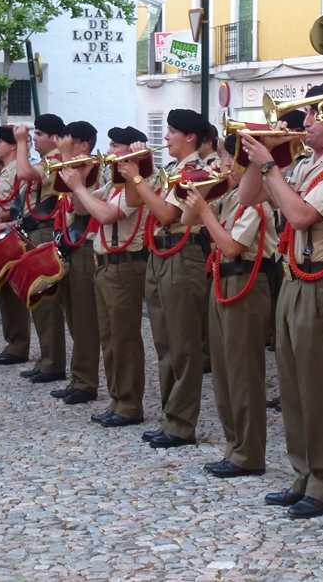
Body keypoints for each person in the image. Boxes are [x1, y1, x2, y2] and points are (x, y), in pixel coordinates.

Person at [241, 86, 323, 512]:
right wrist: (258, 156)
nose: (305, 124)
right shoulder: (306, 163)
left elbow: (301, 215)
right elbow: (247, 197)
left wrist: (271, 165)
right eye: (305, 115)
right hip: (293, 279)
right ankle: (303, 474)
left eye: (313, 116)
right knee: (291, 385)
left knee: (320, 388)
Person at [185, 133, 278, 479]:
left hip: (245, 280)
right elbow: (185, 221)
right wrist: (202, 196)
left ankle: (249, 452)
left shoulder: (254, 203)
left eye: (228, 160)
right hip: (223, 279)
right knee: (224, 371)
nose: (222, 166)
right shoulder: (231, 199)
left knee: (243, 372)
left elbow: (232, 247)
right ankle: (234, 446)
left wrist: (206, 211)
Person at [124, 109, 209, 449]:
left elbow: (166, 213)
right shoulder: (171, 169)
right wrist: (138, 168)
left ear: (190, 136)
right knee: (164, 342)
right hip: (161, 254)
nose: (166, 136)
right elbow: (135, 201)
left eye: (172, 131)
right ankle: (170, 415)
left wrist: (137, 178)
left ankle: (182, 422)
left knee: (183, 343)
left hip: (182, 253)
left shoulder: (195, 170)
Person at [63, 126, 150, 427]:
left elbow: (106, 215)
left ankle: (129, 404)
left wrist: (80, 186)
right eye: (110, 144)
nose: (110, 151)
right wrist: (82, 174)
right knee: (110, 339)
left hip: (125, 265)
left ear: (131, 152)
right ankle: (118, 399)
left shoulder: (136, 184)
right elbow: (80, 208)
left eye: (116, 146)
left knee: (124, 339)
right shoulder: (115, 183)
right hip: (106, 264)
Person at [49, 121, 101, 405]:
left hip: (86, 247)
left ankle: (86, 382)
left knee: (84, 320)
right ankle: (78, 377)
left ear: (82, 145)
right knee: (73, 316)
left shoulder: (91, 167)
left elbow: (81, 208)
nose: (62, 143)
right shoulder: (75, 166)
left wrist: (66, 158)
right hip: (71, 246)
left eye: (69, 140)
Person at [14, 114, 67, 384]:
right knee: (37, 298)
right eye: (32, 135)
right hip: (35, 228)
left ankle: (53, 363)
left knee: (46, 298)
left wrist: (20, 142)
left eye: (39, 134)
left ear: (54, 137)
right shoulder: (47, 161)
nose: (33, 138)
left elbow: (24, 173)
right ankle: (46, 358)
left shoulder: (57, 161)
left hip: (46, 230)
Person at [0, 126, 32, 366]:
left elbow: (18, 205)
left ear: (13, 145)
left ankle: (18, 344)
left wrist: (2, 218)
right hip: (4, 232)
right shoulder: (7, 170)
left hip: (14, 233)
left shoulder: (19, 171)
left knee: (13, 291)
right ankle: (13, 341)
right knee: (5, 290)